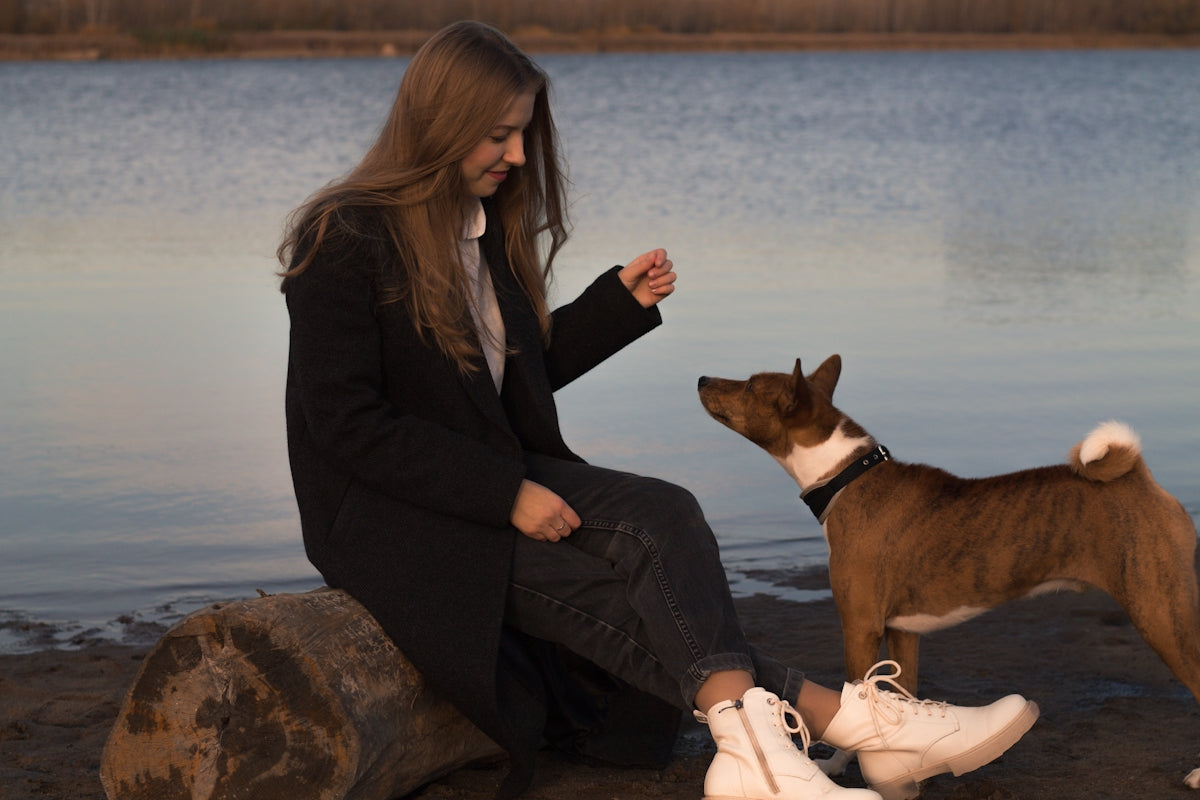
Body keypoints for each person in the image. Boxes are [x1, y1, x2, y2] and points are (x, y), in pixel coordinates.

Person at [278, 20, 1038, 800]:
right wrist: (503, 494)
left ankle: (784, 755)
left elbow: (508, 383)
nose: (515, 156)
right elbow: (347, 426)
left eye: (523, 135)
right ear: (439, 125)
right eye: (498, 136)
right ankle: (854, 730)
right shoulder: (345, 238)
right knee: (621, 598)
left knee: (665, 513)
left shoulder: (476, 230)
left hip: (477, 473)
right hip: (388, 518)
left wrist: (614, 308)